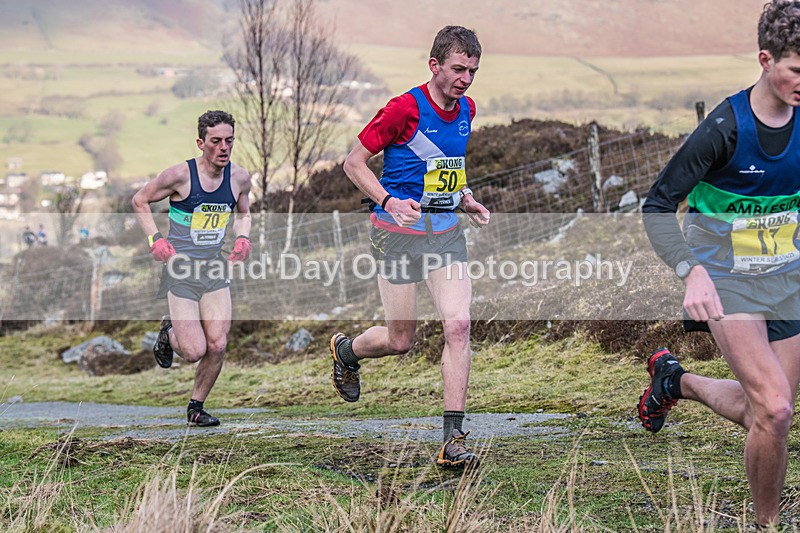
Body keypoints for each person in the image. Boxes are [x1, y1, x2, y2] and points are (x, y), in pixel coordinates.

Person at [639, 1, 800, 526]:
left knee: (765, 413)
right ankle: (767, 524)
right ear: (765, 58)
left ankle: (675, 381)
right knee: (775, 408)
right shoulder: (723, 129)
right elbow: (658, 208)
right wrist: (693, 270)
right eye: (797, 68)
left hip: (787, 279)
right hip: (726, 278)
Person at [330, 26, 490, 468]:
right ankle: (347, 352)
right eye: (458, 69)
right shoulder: (403, 109)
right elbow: (353, 162)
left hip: (445, 233)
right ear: (434, 66)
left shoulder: (467, 109)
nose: (466, 79)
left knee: (458, 325)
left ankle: (452, 440)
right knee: (401, 340)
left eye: (473, 70)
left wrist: (465, 198)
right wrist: (387, 200)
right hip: (395, 235)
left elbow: (445, 165)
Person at [132, 110, 252, 427]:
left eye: (229, 140)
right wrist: (154, 239)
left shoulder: (239, 177)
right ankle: (168, 332)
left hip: (214, 268)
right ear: (201, 142)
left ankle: (196, 407)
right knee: (194, 350)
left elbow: (244, 212)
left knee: (218, 343)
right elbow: (140, 200)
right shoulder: (179, 176)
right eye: (216, 141)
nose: (224, 147)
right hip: (181, 270)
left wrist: (243, 239)